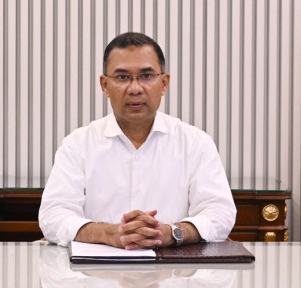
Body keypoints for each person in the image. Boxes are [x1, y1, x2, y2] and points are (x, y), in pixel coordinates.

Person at [39, 32, 236, 250]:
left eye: (146, 76)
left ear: (164, 83)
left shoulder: (195, 143)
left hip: (174, 268)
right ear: (105, 85)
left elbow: (221, 213)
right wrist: (110, 234)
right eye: (122, 77)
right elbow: (53, 215)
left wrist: (171, 232)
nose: (135, 88)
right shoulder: (78, 145)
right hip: (96, 269)